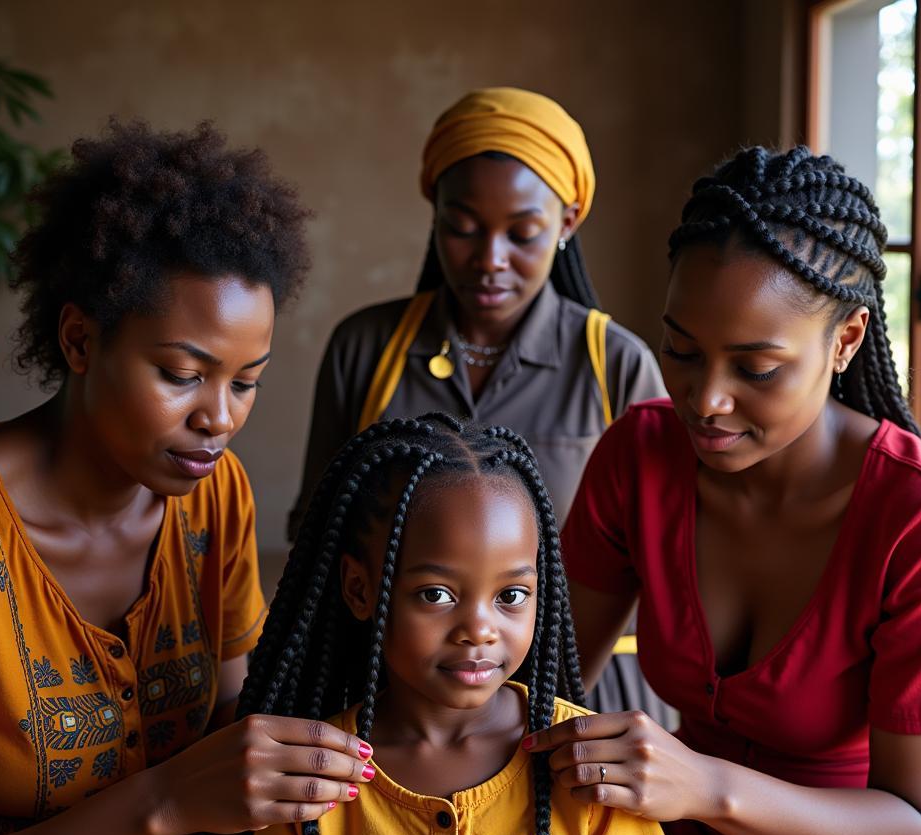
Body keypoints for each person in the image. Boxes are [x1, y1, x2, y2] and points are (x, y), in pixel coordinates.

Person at [526, 146, 921, 835]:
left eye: (757, 368)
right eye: (681, 352)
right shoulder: (641, 455)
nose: (706, 399)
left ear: (845, 339)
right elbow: (542, 679)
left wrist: (703, 786)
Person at [0, 121, 377, 835]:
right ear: (80, 341)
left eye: (246, 381)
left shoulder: (211, 497)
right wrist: (162, 802)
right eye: (182, 374)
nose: (218, 418)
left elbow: (237, 714)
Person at [199, 414, 703, 835]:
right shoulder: (313, 780)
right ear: (362, 590)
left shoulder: (585, 761)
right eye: (436, 594)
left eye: (511, 595)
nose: (480, 629)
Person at [286, 86, 669, 720]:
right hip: (397, 696)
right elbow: (318, 532)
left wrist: (557, 694)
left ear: (567, 223)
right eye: (461, 229)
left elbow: (663, 564)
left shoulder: (617, 366)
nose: (490, 260)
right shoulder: (366, 347)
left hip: (587, 696)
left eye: (522, 234)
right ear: (434, 214)